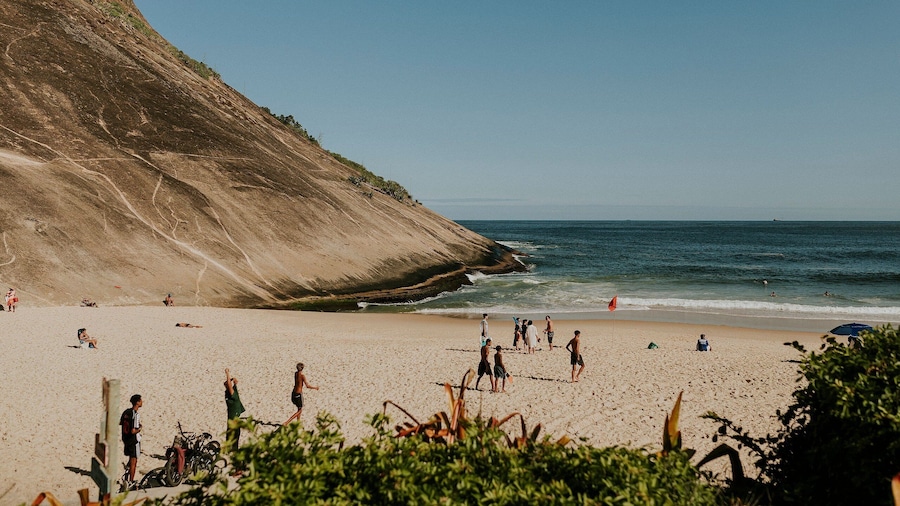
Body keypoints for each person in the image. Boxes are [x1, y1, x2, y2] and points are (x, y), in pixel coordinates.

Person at [120, 394, 143, 486]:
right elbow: (133, 430)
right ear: (137, 402)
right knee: (134, 461)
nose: (142, 402)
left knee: (131, 458)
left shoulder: (126, 412)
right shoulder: (135, 414)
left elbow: (121, 423)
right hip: (133, 440)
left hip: (125, 439)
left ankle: (126, 475)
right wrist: (139, 429)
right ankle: (131, 481)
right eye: (140, 400)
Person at [224, 368, 245, 451]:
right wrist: (229, 376)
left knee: (232, 432)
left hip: (232, 416)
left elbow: (227, 384)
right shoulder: (231, 394)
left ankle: (230, 448)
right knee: (234, 433)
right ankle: (233, 449)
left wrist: (229, 376)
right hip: (233, 416)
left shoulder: (231, 395)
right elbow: (228, 384)